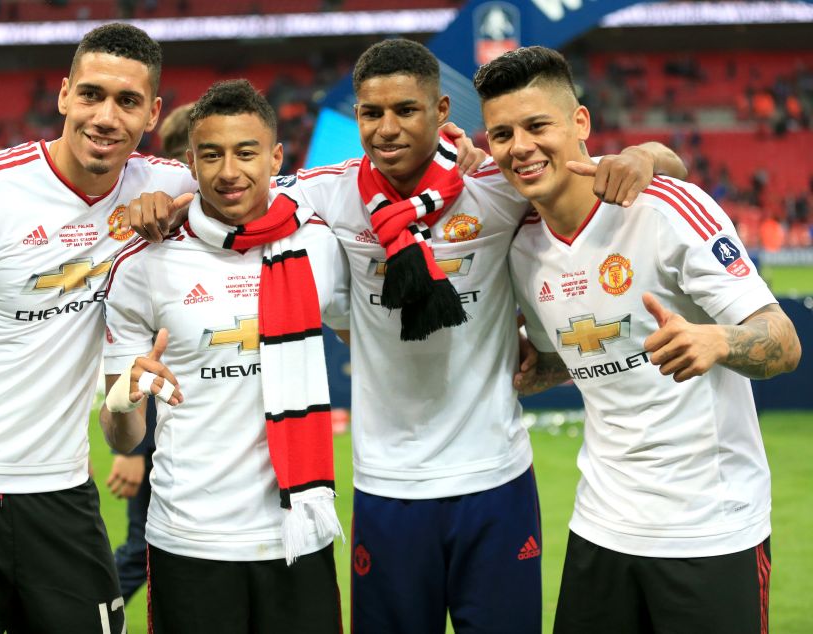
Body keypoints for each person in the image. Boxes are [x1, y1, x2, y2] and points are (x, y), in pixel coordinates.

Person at [126, 38, 687, 634]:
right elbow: (234, 194)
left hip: (493, 481)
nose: (386, 128)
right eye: (372, 113)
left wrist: (648, 153)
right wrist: (166, 202)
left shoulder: (495, 186)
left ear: (443, 112)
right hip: (387, 487)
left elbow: (618, 173)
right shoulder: (328, 193)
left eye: (406, 111)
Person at [0, 23, 196, 633]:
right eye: (92, 95)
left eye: (127, 101)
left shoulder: (167, 187)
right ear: (63, 96)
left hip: (62, 490)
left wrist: (441, 162)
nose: (106, 117)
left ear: (153, 113)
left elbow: (268, 192)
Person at [474, 45, 802, 633]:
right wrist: (536, 370)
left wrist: (720, 342)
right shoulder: (521, 245)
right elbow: (590, 353)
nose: (519, 145)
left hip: (710, 528)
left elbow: (781, 340)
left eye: (536, 125)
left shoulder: (667, 210)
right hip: (600, 528)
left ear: (580, 123)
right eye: (502, 133)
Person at [99, 79, 349, 633]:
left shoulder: (319, 245)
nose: (229, 171)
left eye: (246, 152)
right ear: (190, 161)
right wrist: (126, 397)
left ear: (276, 158)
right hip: (190, 539)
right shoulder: (145, 265)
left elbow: (365, 336)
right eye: (211, 154)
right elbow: (121, 436)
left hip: (297, 532)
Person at [107, 101, 194, 604]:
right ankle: (96, 610)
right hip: (159, 430)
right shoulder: (154, 246)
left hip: (194, 435)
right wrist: (138, 452)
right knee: (143, 547)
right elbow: (147, 357)